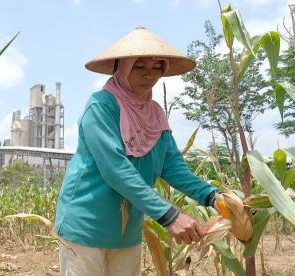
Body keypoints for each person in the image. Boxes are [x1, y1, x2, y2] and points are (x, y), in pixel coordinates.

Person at [54, 26, 221, 276]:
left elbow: (172, 167)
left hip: (125, 231)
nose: (150, 75)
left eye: (157, 67)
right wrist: (169, 216)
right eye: (140, 66)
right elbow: (116, 170)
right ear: (121, 68)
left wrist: (213, 197)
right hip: (86, 227)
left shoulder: (155, 114)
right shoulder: (100, 107)